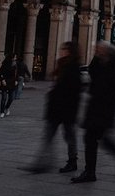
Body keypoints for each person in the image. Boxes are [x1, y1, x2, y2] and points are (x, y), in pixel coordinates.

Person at [71, 41, 115, 183]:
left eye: (99, 49)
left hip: (105, 108)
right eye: (96, 48)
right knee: (100, 140)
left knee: (93, 139)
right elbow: (92, 72)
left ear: (107, 51)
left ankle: (91, 172)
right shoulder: (100, 62)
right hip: (96, 106)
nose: (96, 50)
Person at [24, 41, 82, 174]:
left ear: (70, 51)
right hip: (56, 108)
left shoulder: (73, 67)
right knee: (49, 136)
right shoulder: (62, 64)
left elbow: (74, 91)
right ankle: (42, 163)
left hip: (66, 108)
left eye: (64, 49)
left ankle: (71, 161)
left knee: (69, 136)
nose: (61, 51)